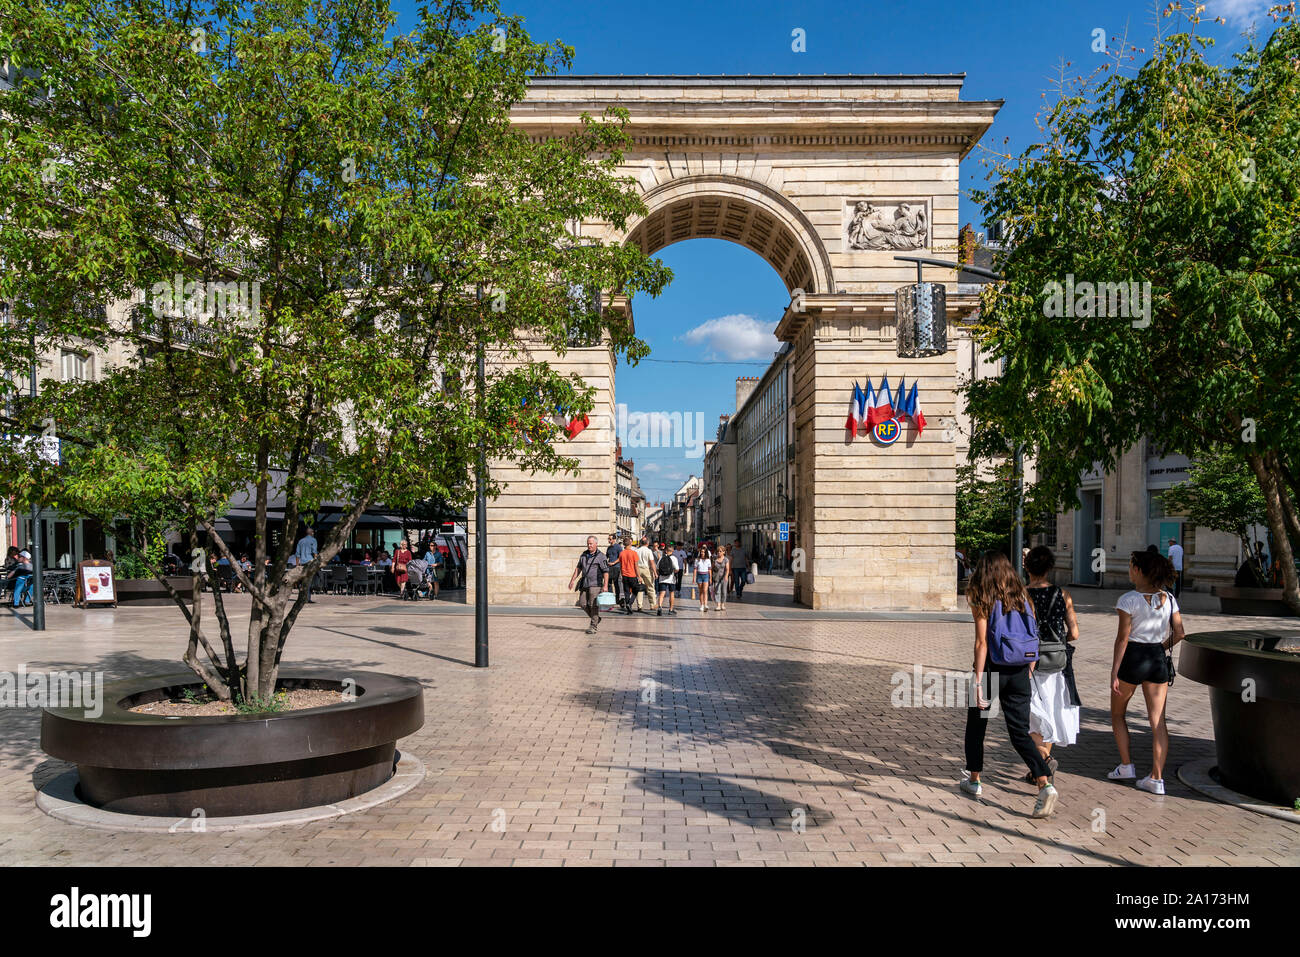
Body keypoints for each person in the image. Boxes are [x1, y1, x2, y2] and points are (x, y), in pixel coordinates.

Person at [959, 552, 1059, 818]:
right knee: (1019, 733)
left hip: (992, 669)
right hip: (1019, 670)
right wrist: (1029, 667)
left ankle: (975, 781)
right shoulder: (1023, 596)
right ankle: (1044, 784)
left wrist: (978, 680)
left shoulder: (981, 596)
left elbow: (981, 643)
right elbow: (1031, 634)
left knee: (977, 726)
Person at [1109, 549, 1185, 795]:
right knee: (1157, 721)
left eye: (1131, 566)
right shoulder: (1170, 599)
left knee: (1119, 714)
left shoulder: (1128, 599)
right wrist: (1160, 648)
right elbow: (1180, 632)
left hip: (1133, 658)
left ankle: (1126, 765)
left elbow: (1122, 639)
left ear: (1139, 570)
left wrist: (1114, 672)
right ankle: (1157, 778)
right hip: (1156, 659)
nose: (1129, 570)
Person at [1024, 546, 1081, 782]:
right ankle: (1040, 768)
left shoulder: (1021, 594)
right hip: (1057, 665)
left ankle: (1043, 762)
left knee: (1032, 716)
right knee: (1050, 712)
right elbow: (1074, 633)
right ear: (1050, 568)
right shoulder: (1063, 594)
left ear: (1027, 567)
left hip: (1030, 662)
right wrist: (1057, 643)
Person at [568, 535, 611, 634]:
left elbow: (606, 572)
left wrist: (605, 585)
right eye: (588, 543)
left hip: (595, 584)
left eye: (591, 543)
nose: (589, 545)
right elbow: (578, 568)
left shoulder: (601, 556)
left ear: (596, 544)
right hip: (585, 583)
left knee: (593, 605)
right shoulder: (583, 555)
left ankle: (593, 626)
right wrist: (572, 580)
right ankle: (596, 618)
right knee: (583, 603)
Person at [295, 527, 319, 603]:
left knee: (303, 581)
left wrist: (297, 565)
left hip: (302, 562)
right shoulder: (313, 540)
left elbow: (297, 554)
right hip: (310, 562)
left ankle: (302, 597)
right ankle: (307, 598)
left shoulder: (301, 541)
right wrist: (316, 562)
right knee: (309, 581)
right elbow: (315, 552)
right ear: (311, 533)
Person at [617, 536, 640, 614]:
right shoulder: (634, 553)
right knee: (635, 590)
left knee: (627, 592)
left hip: (624, 575)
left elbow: (620, 565)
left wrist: (621, 574)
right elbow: (636, 566)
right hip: (632, 575)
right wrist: (639, 576)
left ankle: (628, 607)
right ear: (630, 543)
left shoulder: (621, 553)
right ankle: (630, 603)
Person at [655, 546, 679, 616]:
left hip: (662, 578)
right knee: (671, 594)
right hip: (671, 579)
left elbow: (657, 568)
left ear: (666, 551)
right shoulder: (674, 558)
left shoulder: (662, 558)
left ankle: (660, 607)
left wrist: (660, 574)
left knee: (662, 594)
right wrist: (672, 572)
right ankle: (671, 610)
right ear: (672, 551)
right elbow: (677, 569)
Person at [636, 538, 657, 612]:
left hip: (638, 569)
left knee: (640, 588)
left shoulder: (637, 550)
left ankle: (639, 605)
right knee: (650, 587)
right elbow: (651, 562)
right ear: (647, 543)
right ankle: (652, 604)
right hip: (646, 569)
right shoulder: (649, 551)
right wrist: (655, 572)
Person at [606, 534, 624, 607]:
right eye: (608, 539)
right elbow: (606, 556)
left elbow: (620, 557)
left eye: (610, 539)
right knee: (609, 584)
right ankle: (611, 600)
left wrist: (613, 562)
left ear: (614, 539)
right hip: (609, 567)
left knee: (616, 584)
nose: (609, 540)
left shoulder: (618, 547)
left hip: (616, 567)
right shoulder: (609, 548)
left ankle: (617, 599)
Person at [693, 544, 712, 613]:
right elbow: (695, 569)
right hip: (699, 576)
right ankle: (701, 605)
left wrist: (710, 578)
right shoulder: (697, 560)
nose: (702, 553)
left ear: (706, 553)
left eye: (703, 552)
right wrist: (693, 578)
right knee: (701, 591)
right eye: (701, 552)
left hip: (706, 575)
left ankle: (706, 604)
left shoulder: (708, 560)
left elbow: (710, 569)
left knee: (705, 590)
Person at [713, 544, 731, 611]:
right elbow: (711, 568)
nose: (719, 552)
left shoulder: (726, 559)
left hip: (723, 577)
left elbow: (727, 569)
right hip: (716, 577)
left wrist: (726, 576)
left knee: (723, 591)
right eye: (718, 551)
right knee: (717, 591)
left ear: (724, 552)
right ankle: (718, 605)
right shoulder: (715, 559)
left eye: (720, 551)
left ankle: (723, 604)